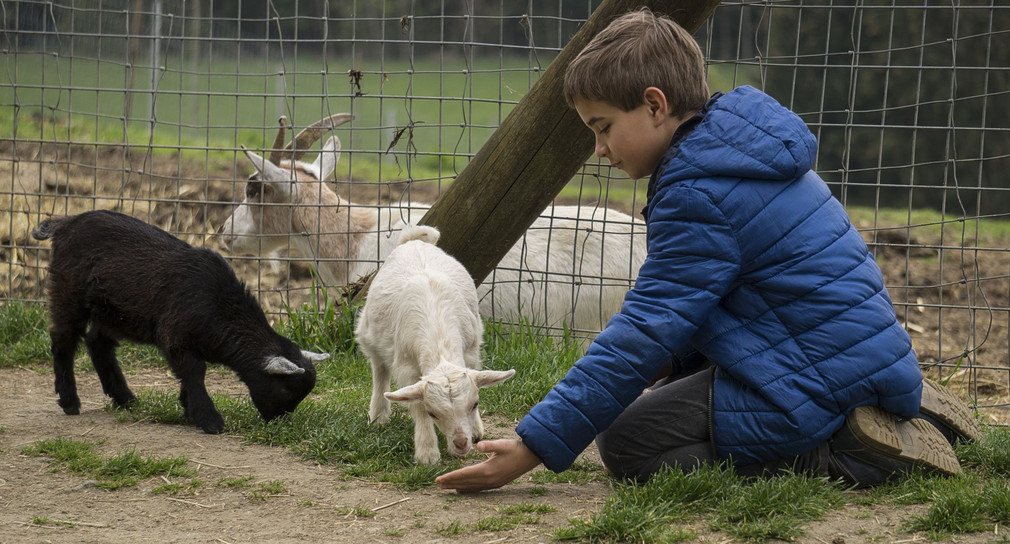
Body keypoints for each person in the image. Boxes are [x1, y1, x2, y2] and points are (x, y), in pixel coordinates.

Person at [435, 8, 982, 492]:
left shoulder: (697, 193)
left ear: (654, 105)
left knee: (627, 443)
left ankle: (849, 449)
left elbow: (648, 325)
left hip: (813, 372)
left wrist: (536, 446)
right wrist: (672, 362)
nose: (598, 149)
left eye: (602, 127)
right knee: (659, 391)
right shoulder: (739, 148)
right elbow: (722, 299)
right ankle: (888, 395)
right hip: (845, 349)